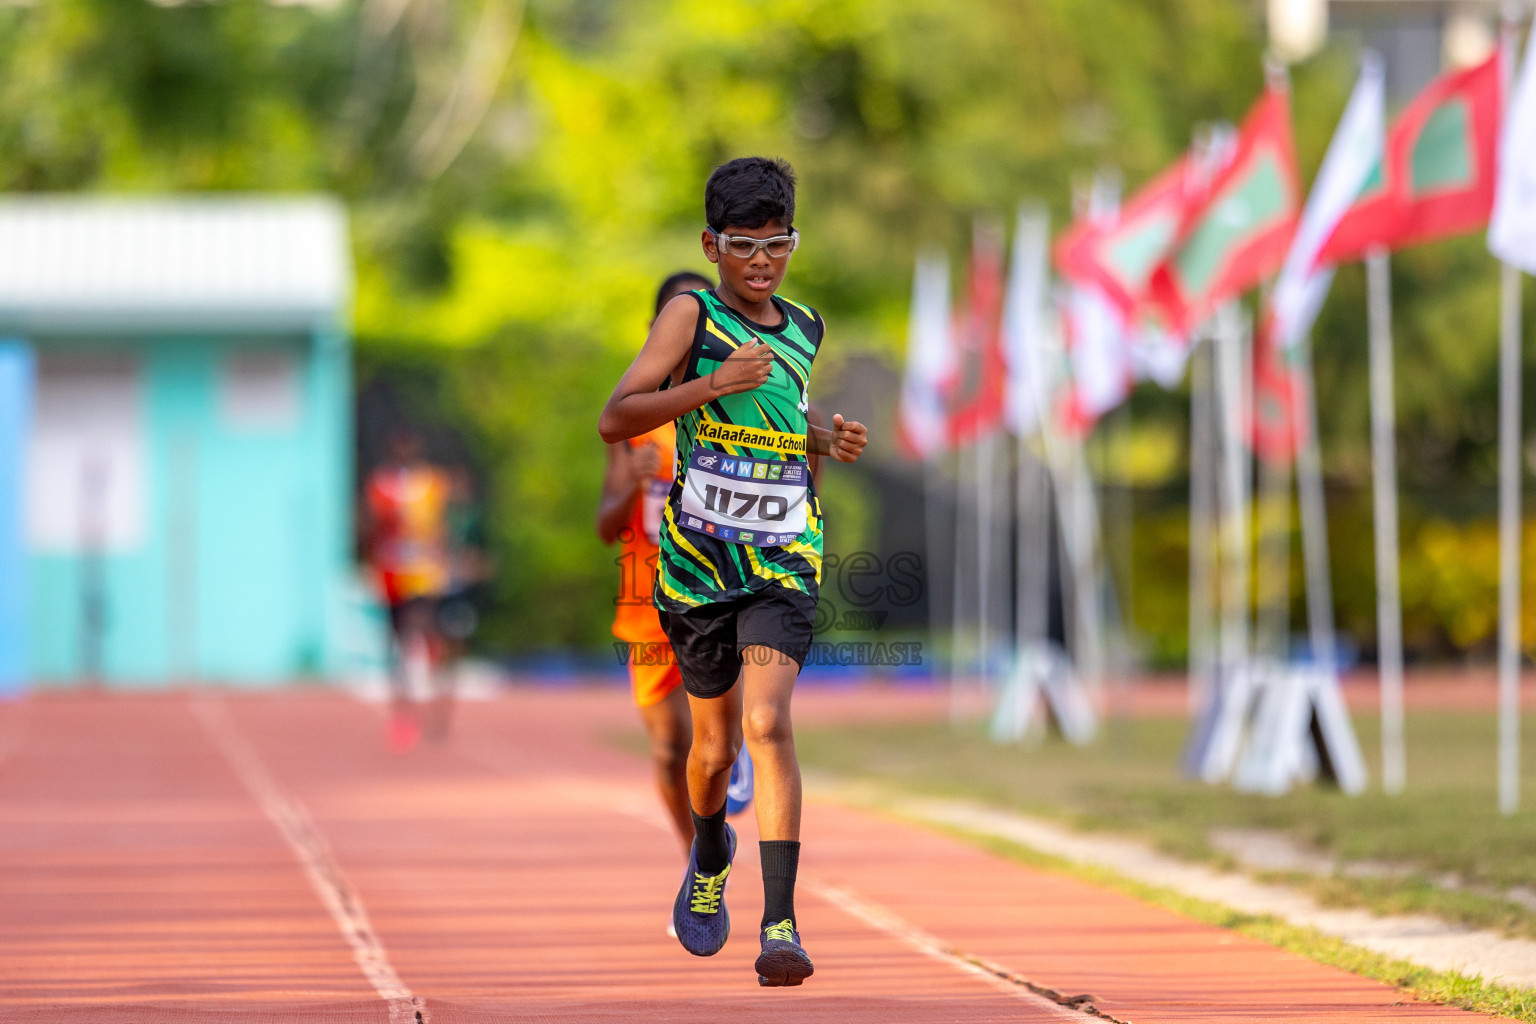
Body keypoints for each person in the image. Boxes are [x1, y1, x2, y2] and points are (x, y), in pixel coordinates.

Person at [598, 156, 868, 987]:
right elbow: (617, 417)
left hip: (783, 557)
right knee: (709, 755)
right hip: (695, 569)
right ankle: (709, 846)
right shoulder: (692, 316)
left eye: (777, 244)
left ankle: (781, 922)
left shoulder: (808, 326)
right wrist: (711, 381)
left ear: (793, 243)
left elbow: (781, 417)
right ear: (713, 244)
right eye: (744, 245)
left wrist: (821, 440)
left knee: (769, 725)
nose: (761, 261)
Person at [596, 270, 713, 863]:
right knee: (671, 749)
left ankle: (726, 764)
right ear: (654, 331)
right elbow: (604, 525)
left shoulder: (734, 407)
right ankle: (700, 865)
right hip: (648, 605)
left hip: (721, 592)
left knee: (717, 739)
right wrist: (632, 488)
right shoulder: (633, 421)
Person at [362, 426, 452, 752]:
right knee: (397, 642)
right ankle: (404, 713)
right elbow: (372, 528)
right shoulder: (381, 486)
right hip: (392, 574)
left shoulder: (431, 484)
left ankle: (435, 702)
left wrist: (444, 562)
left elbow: (440, 528)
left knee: (424, 631)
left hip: (424, 574)